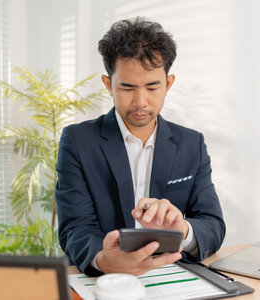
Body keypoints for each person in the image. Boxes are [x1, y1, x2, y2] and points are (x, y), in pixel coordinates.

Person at [55, 17, 225, 276]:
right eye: (127, 88)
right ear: (107, 84)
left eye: (153, 86)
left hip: (175, 279)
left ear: (168, 84)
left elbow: (212, 225)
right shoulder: (78, 142)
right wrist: (102, 259)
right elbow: (75, 229)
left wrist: (183, 231)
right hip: (104, 281)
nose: (141, 102)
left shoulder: (192, 144)